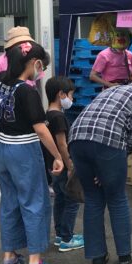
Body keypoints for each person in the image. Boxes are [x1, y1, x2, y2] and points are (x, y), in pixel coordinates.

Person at [0, 41, 64, 264]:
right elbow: (41, 129)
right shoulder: (27, 91)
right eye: (41, 66)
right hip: (24, 151)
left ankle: (9, 258)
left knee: (9, 202)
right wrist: (57, 156)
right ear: (34, 63)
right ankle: (35, 262)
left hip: (3, 149)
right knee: (34, 201)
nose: (41, 71)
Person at [69, 70, 132, 264]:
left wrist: (103, 168)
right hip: (108, 142)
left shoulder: (114, 89)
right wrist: (110, 166)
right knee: (117, 197)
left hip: (77, 138)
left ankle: (97, 257)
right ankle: (124, 254)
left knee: (93, 198)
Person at [43, 76, 84, 252]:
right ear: (61, 94)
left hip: (51, 165)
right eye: (70, 95)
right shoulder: (59, 117)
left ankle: (60, 234)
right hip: (62, 164)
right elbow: (62, 144)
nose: (71, 99)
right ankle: (67, 238)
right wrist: (70, 165)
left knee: (60, 199)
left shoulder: (46, 115)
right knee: (72, 200)